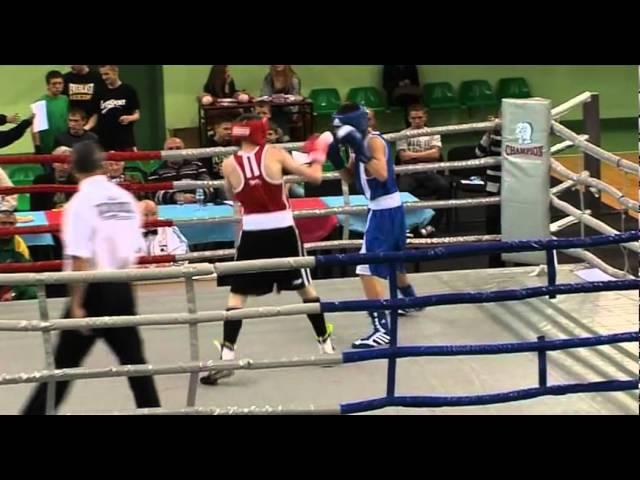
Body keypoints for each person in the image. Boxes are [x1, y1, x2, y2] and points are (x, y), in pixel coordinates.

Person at [21, 141, 161, 415]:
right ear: (101, 164)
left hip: (91, 290)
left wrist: (76, 304)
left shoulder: (79, 203)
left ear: (74, 169)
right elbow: (133, 250)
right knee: (136, 364)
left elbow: (79, 257)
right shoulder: (126, 199)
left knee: (62, 368)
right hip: (121, 286)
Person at [200, 114, 334, 386]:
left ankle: (227, 356)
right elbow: (316, 178)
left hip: (252, 232)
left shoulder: (228, 164)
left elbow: (234, 195)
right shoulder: (274, 153)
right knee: (304, 288)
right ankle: (326, 346)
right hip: (283, 230)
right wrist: (318, 154)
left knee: (237, 294)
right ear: (260, 131)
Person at [326, 103, 423, 349]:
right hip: (384, 208)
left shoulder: (373, 142)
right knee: (393, 259)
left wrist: (360, 149)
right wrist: (336, 159)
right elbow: (352, 178)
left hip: (384, 209)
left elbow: (380, 173)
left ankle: (381, 328)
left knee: (366, 269)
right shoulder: (357, 144)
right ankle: (410, 300)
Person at [0, 209, 37, 302]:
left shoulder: (19, 243)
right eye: (3, 223)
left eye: (11, 223)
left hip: (11, 285)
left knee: (32, 292)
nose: (7, 227)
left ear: (15, 224)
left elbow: (28, 274)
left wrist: (14, 292)